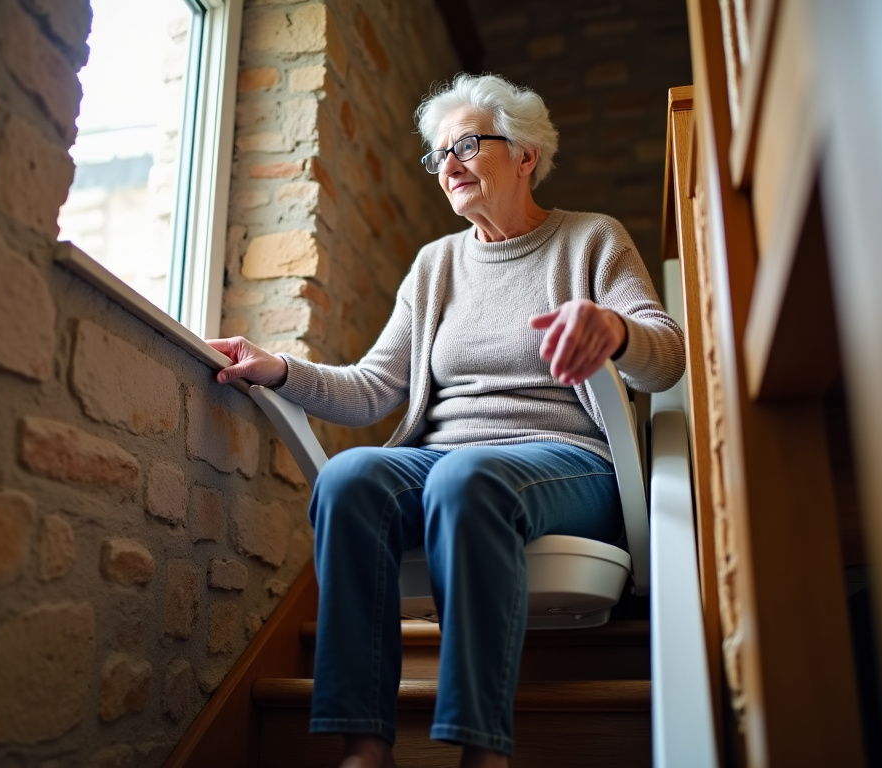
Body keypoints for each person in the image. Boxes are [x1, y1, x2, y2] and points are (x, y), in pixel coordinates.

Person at [208, 73, 685, 768]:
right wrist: (278, 367)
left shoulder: (590, 241)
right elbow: (374, 387)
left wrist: (612, 327)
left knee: (467, 478)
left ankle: (479, 749)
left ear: (525, 154)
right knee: (349, 478)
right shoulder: (436, 265)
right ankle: (365, 747)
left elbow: (666, 358)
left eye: (466, 143)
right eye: (438, 154)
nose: (449, 165)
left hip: (565, 462)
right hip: (446, 462)